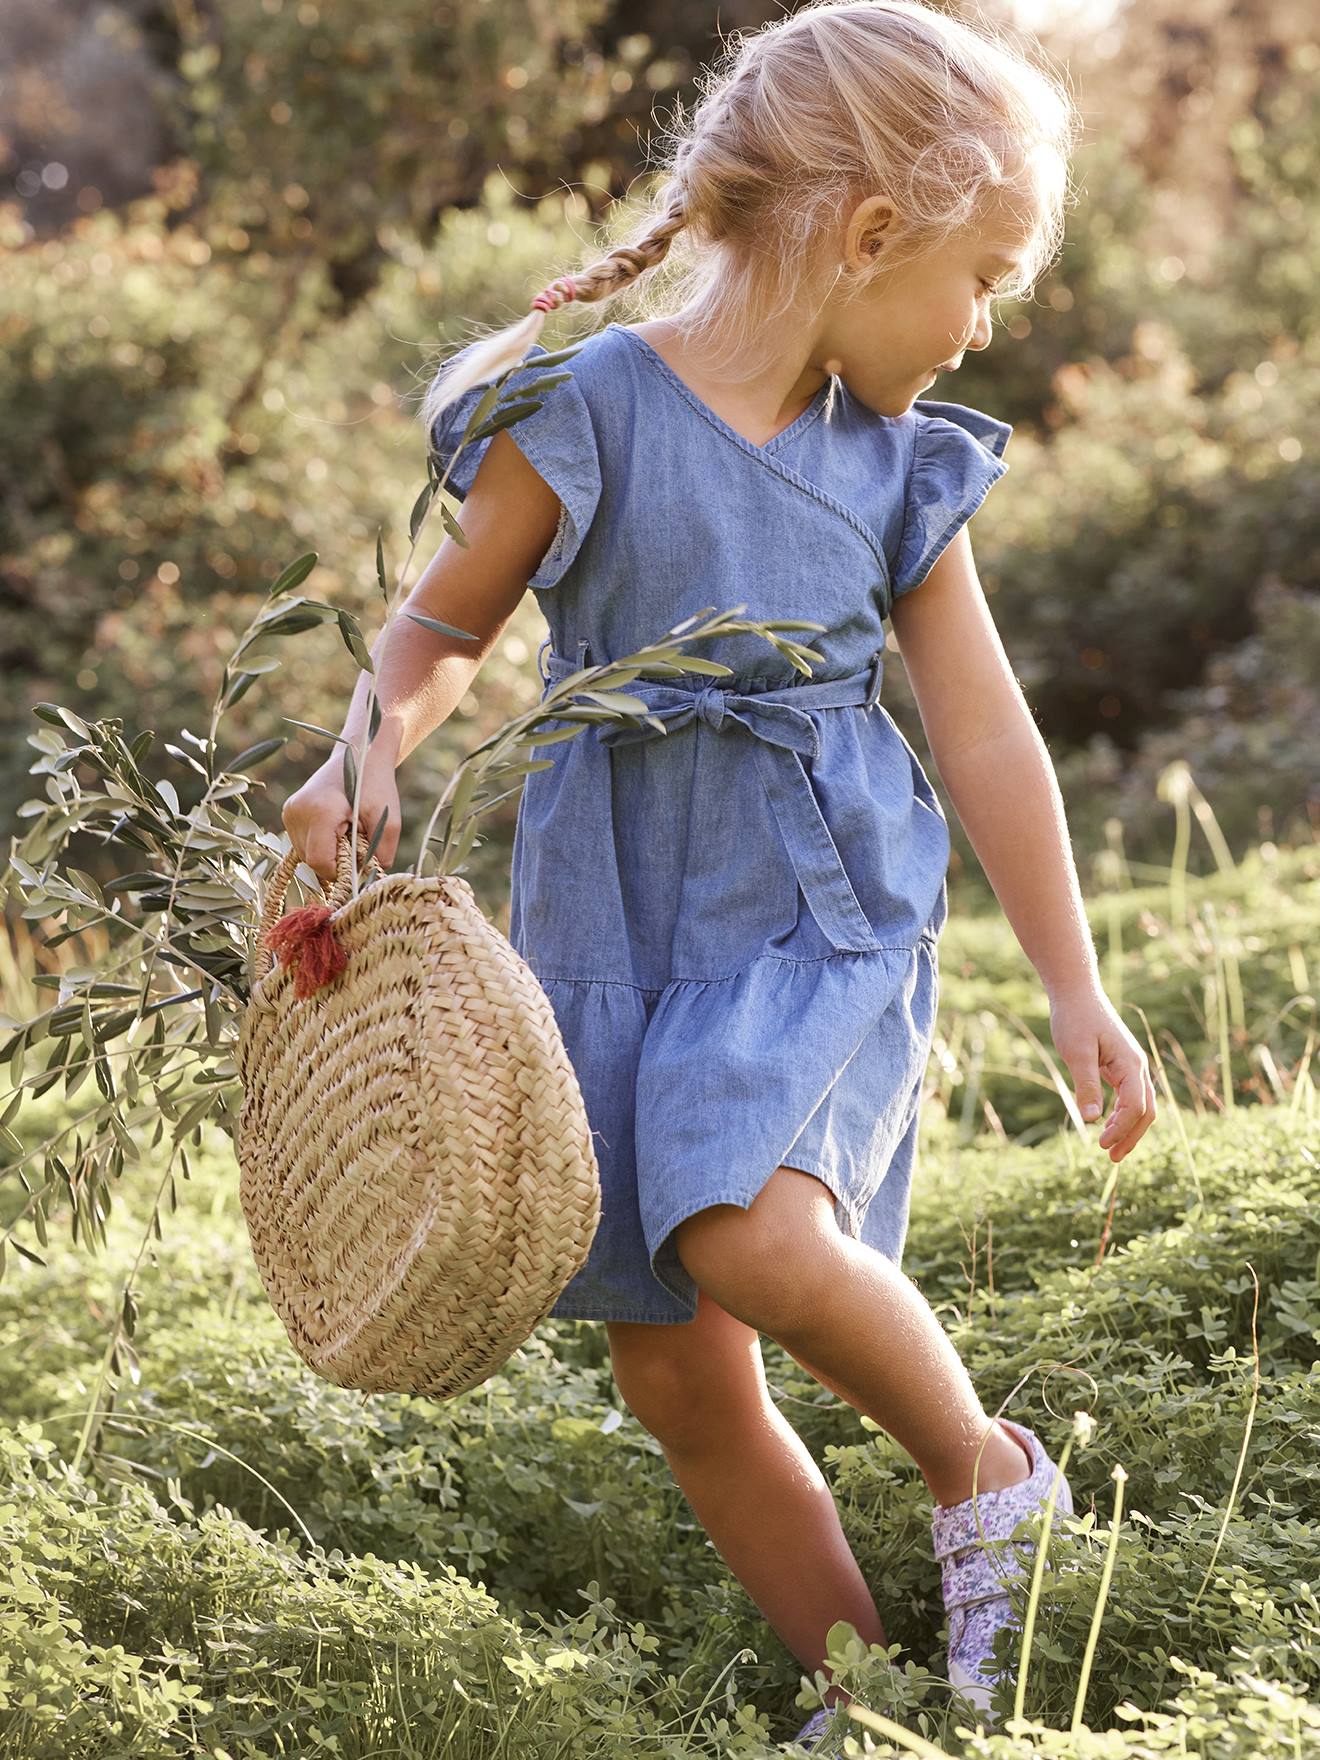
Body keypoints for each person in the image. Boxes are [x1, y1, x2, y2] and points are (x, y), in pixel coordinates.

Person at [281, 1, 1157, 1747]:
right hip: (614, 914)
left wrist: (1075, 987)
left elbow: (986, 738)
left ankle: (991, 1484)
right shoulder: (590, 405)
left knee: (746, 1230)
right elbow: (444, 622)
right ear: (872, 231)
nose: (984, 325)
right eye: (984, 276)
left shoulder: (897, 470)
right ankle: (881, 1699)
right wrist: (359, 744)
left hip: (819, 907)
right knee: (676, 1371)